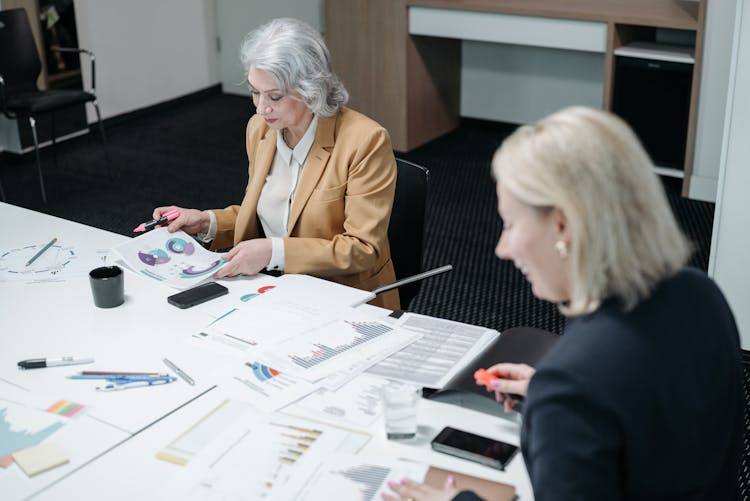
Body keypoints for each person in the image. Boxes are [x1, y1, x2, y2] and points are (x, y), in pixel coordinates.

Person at [384, 107, 742, 500]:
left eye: (510, 224)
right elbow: (658, 411)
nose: (502, 248)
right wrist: (565, 401)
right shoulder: (701, 293)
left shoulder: (573, 383)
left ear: (563, 225)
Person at [153, 18, 399, 309]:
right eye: (255, 92)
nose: (261, 108)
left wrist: (274, 253)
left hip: (342, 297)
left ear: (311, 90)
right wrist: (206, 222)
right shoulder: (259, 130)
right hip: (275, 289)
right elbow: (267, 215)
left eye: (274, 96)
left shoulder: (365, 141)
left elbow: (362, 249)